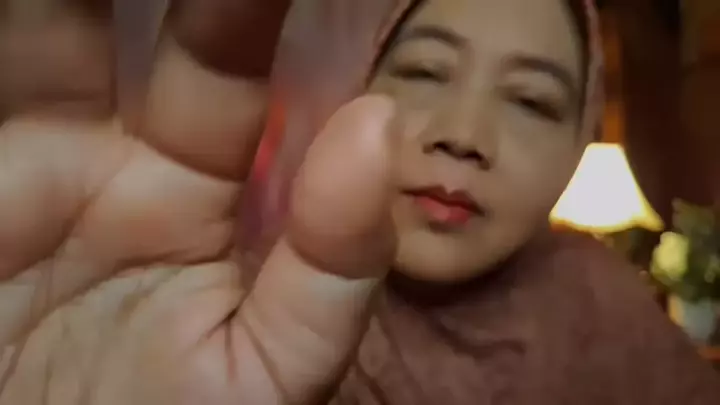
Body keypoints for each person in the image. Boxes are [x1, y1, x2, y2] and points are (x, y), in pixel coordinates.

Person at [0, 2, 717, 405]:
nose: (463, 134)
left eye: (532, 101)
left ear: (576, 145)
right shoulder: (209, 313)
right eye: (426, 71)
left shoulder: (621, 327)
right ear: (359, 89)